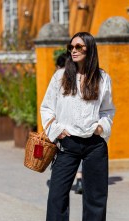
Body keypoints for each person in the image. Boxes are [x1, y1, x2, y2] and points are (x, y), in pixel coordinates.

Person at [32, 32, 115, 221]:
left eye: (79, 46)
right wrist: (57, 131)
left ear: (90, 49)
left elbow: (108, 109)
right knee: (57, 196)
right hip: (67, 145)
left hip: (94, 145)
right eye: (71, 46)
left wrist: (102, 127)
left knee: (95, 198)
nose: (73, 50)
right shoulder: (60, 77)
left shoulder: (102, 78)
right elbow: (46, 107)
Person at [56, 52, 83, 194]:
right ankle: (79, 179)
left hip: (65, 129)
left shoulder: (60, 77)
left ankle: (75, 178)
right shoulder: (65, 77)